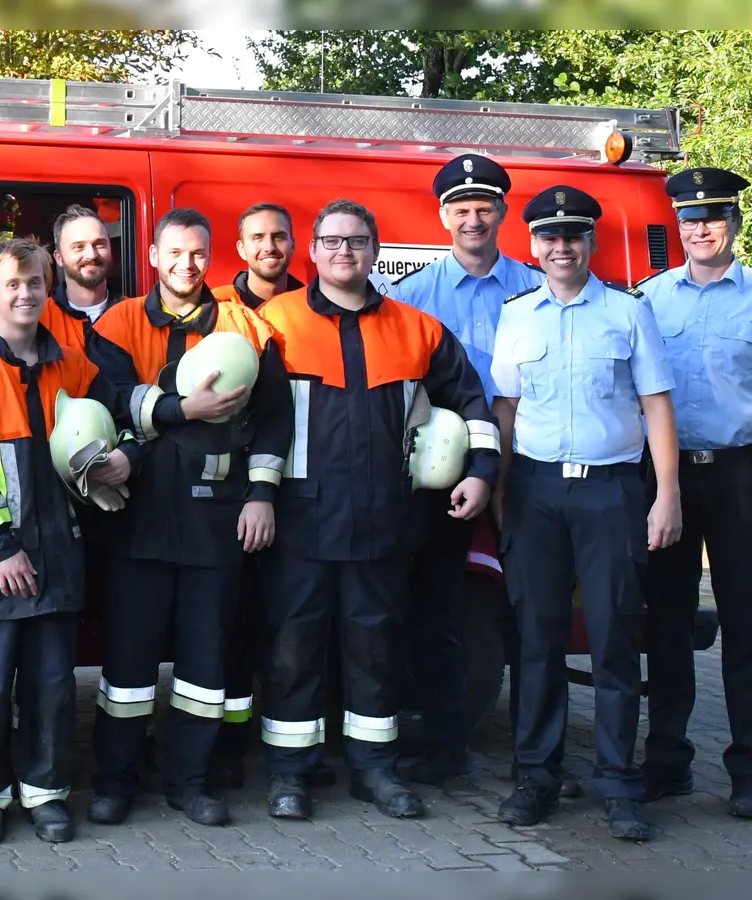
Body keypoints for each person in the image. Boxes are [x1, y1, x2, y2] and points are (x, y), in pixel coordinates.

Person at [254, 199, 499, 821]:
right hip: (300, 522)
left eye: (357, 242)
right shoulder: (271, 324)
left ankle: (374, 769)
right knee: (293, 649)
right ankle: (290, 772)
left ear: (375, 250)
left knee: (376, 649)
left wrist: (483, 472)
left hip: (386, 523)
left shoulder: (418, 330)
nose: (344, 252)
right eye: (332, 241)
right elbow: (241, 418)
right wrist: (255, 496)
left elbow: (473, 405)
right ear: (312, 251)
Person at [84, 208, 291, 827]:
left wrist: (262, 495)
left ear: (213, 257)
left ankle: (190, 782)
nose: (186, 265)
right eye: (174, 253)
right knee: (127, 667)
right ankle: (116, 782)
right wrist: (184, 407)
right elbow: (108, 396)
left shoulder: (247, 327)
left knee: (206, 665)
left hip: (217, 523)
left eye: (198, 254)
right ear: (151, 258)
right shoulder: (118, 323)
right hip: (137, 522)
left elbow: (275, 418)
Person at [489, 185, 681, 841]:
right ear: (534, 245)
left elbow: (657, 404)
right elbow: (507, 411)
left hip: (612, 492)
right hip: (537, 493)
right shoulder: (519, 316)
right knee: (536, 641)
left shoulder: (628, 313)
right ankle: (536, 777)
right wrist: (501, 492)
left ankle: (618, 783)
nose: (561, 247)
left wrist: (667, 494)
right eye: (549, 236)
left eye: (573, 236)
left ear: (590, 242)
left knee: (614, 640)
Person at [637, 167, 752, 820]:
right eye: (690, 218)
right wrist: (657, 489)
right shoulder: (650, 299)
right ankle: (667, 762)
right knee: (670, 622)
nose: (702, 228)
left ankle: (750, 771)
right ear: (678, 227)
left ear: (734, 224)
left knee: (745, 623)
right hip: (671, 476)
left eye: (713, 217)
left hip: (744, 475)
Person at [0, 238, 122, 845]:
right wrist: (0, 549)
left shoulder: (76, 366)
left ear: (50, 288)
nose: (25, 294)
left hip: (58, 557)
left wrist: (127, 460)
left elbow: (121, 421)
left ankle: (45, 793)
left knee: (51, 686)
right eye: (12, 284)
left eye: (35, 283)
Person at [391, 155, 544, 785]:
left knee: (533, 614)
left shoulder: (538, 289)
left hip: (532, 473)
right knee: (435, 611)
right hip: (439, 479)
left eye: (484, 208)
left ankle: (531, 751)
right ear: (442, 216)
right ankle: (430, 744)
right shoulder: (409, 297)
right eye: (461, 208)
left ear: (502, 214)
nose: (473, 219)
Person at [206, 201, 308, 790]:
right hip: (228, 494)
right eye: (258, 238)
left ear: (293, 243)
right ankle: (230, 743)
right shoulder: (216, 307)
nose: (270, 247)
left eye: (279, 237)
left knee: (290, 628)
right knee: (234, 627)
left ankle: (291, 746)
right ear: (240, 248)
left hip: (299, 493)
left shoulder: (313, 308)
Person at [43, 204, 119, 352]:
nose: (91, 255)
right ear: (59, 258)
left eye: (100, 244)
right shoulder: (38, 320)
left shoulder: (137, 315)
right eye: (79, 247)